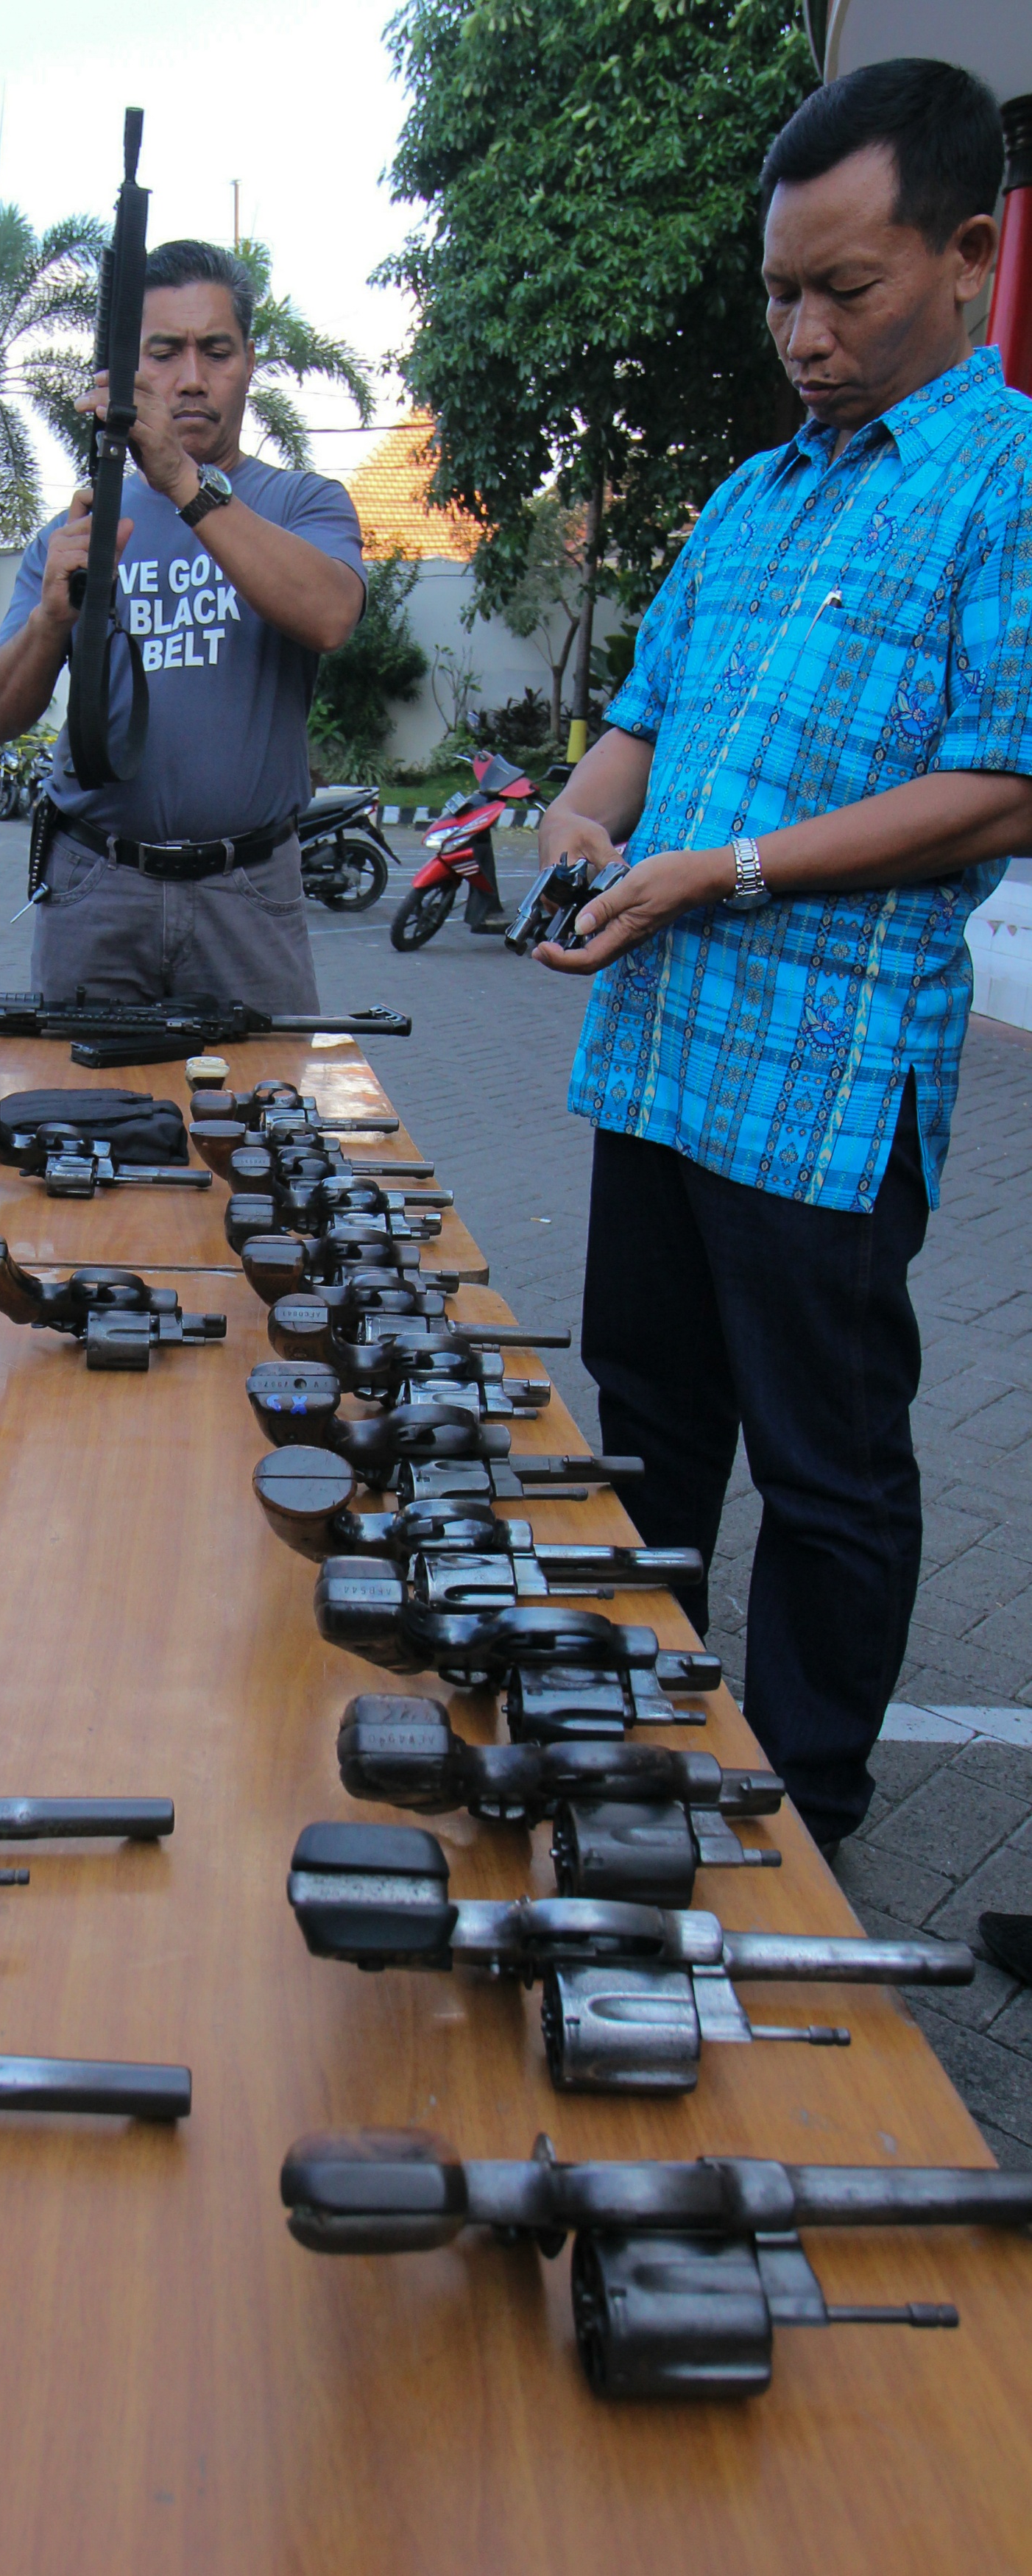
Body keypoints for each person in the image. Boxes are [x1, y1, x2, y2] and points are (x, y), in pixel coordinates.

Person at [531, 60, 1032, 1859]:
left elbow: (1004, 783)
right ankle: (630, 1740)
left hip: (823, 1086)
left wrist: (720, 872)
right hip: (662, 1055)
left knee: (825, 1467)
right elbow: (640, 716)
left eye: (844, 290)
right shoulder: (750, 496)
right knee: (647, 1422)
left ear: (967, 255)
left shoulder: (1005, 483)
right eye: (777, 296)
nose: (802, 337)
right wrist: (582, 825)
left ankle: (805, 1808)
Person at [0, 239, 366, 1008]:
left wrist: (182, 480)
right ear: (124, 372)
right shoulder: (76, 530)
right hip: (95, 883)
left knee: (262, 1088)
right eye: (162, 353)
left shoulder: (301, 504)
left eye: (215, 351)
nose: (190, 378)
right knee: (80, 1087)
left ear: (248, 363)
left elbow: (328, 616)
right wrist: (52, 618)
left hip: (248, 888)